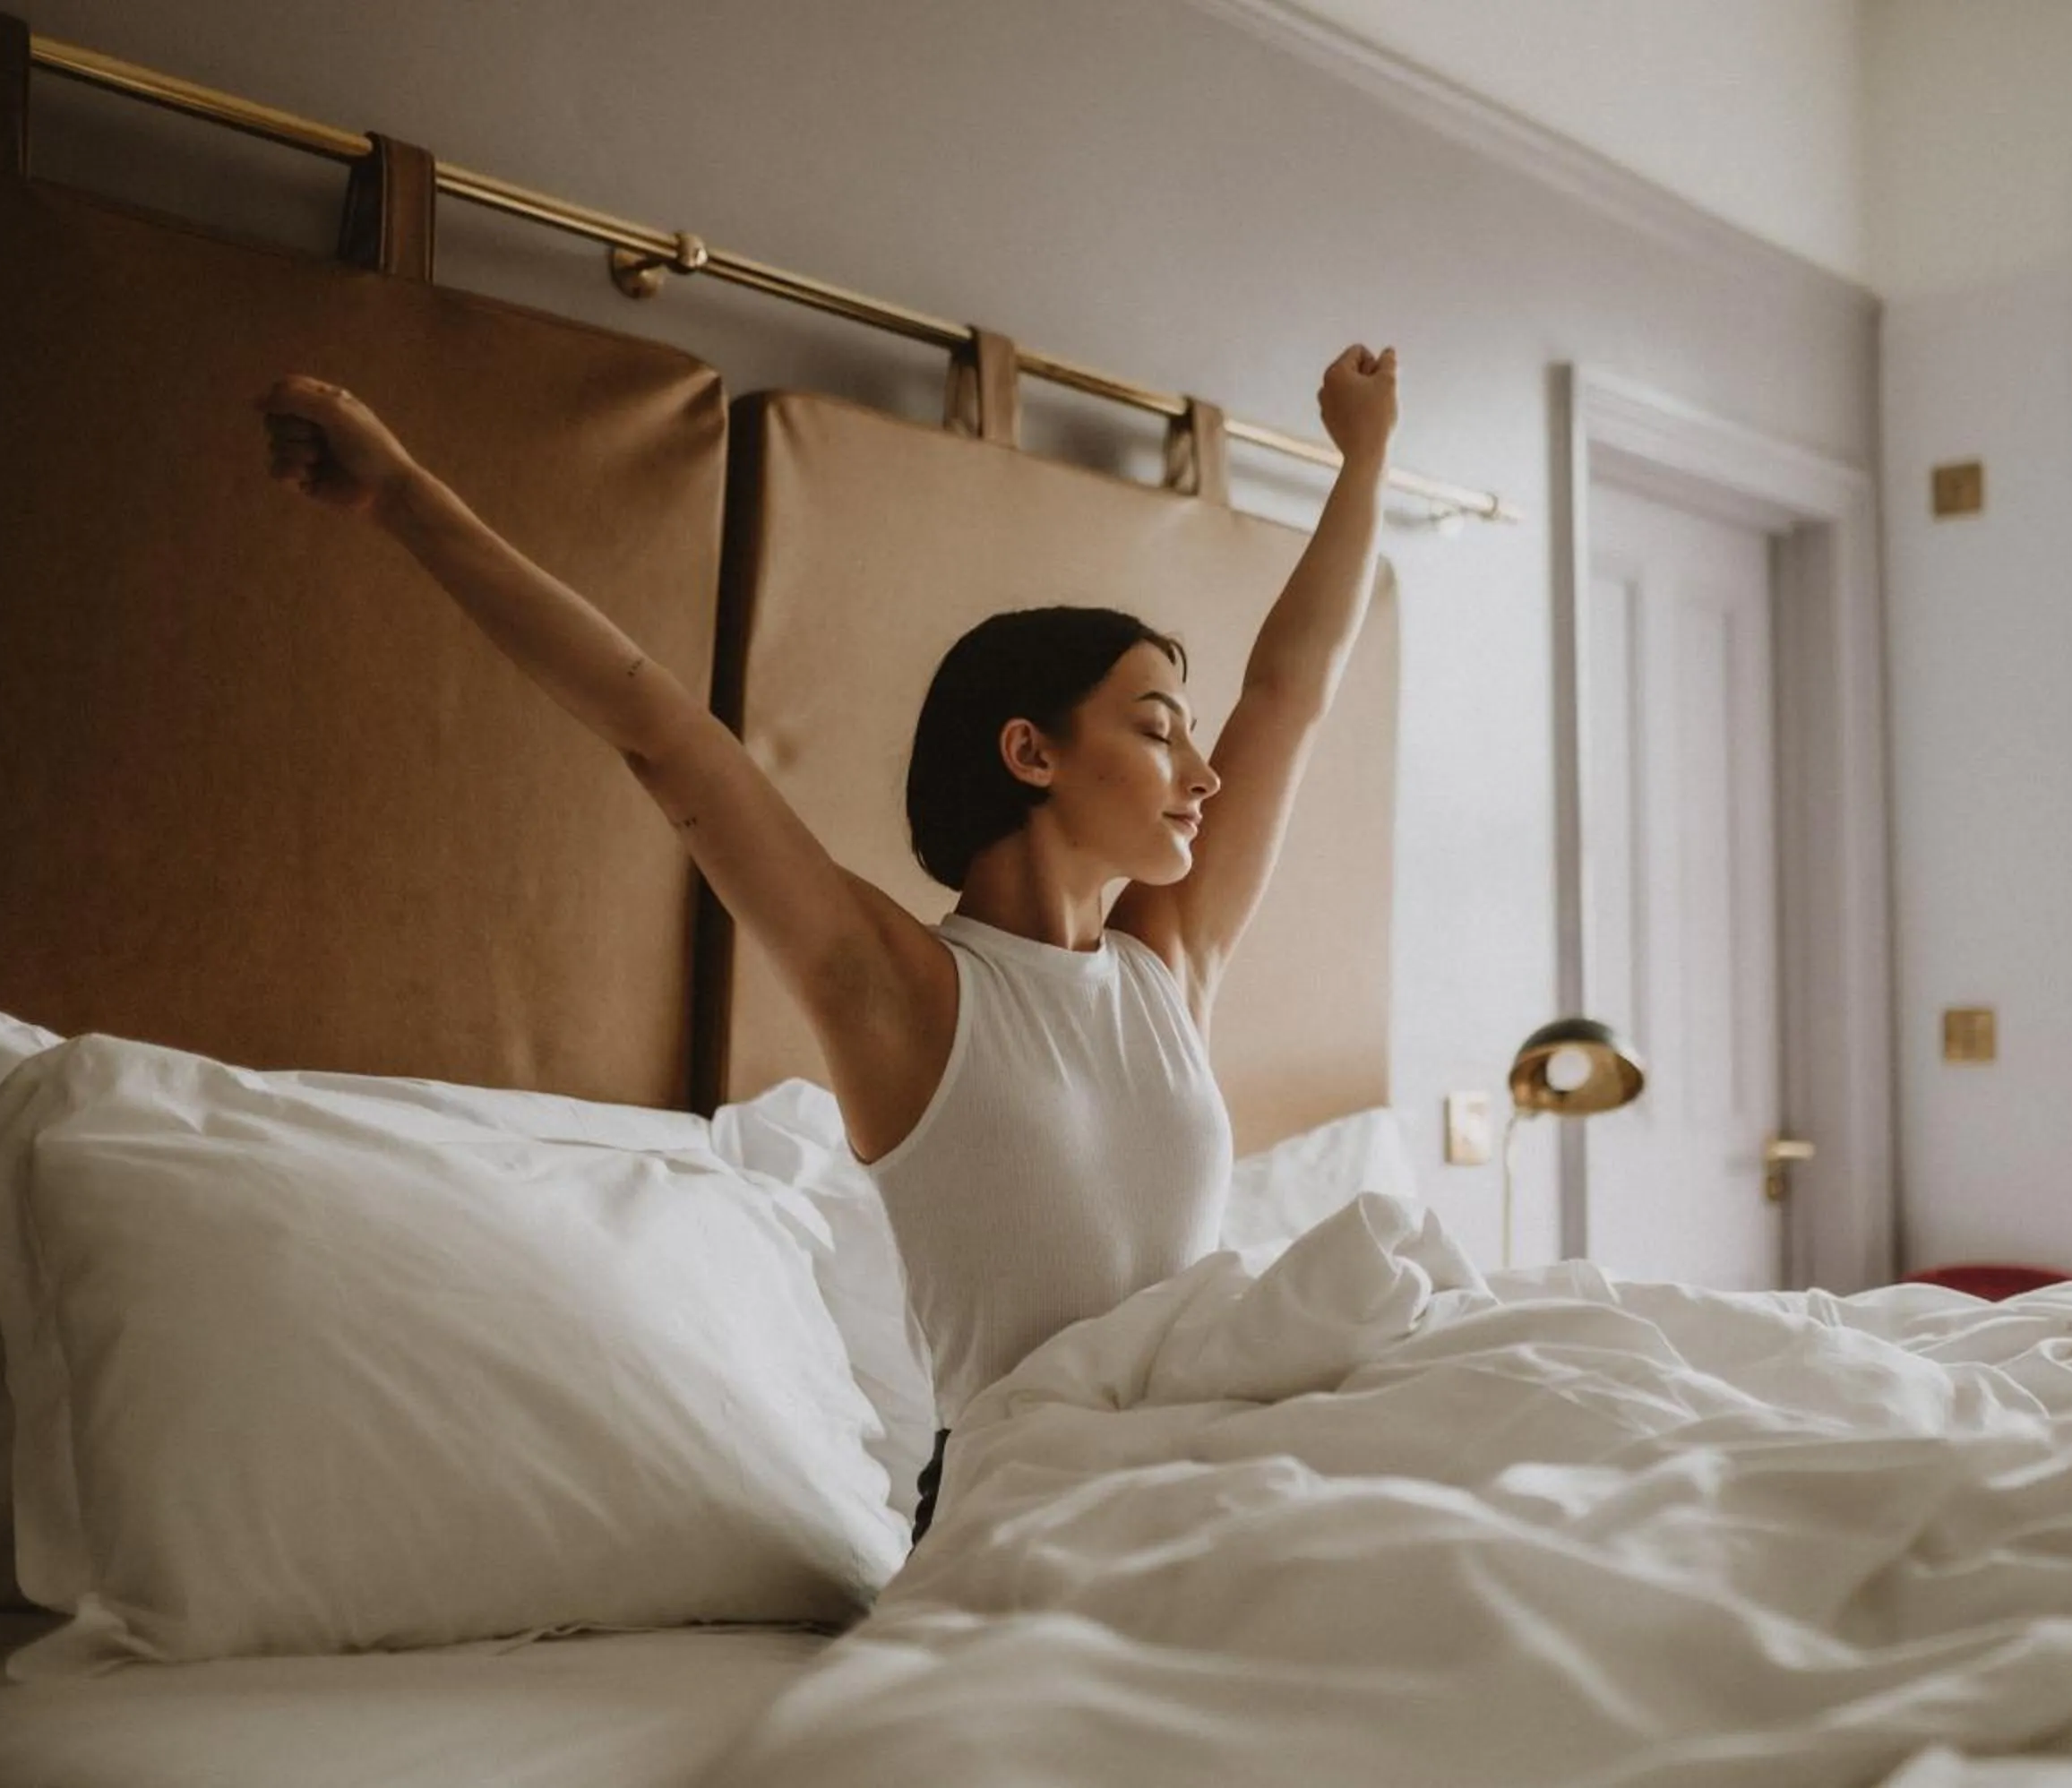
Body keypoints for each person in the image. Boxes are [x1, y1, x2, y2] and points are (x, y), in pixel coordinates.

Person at [257, 343, 1399, 1545]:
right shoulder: (900, 991)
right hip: (1024, 1517)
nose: (1206, 774)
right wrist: (399, 498)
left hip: (1202, 1476)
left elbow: (1292, 689)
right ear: (1032, 752)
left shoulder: (1171, 965)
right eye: (1160, 731)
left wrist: (1365, 459)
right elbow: (656, 726)